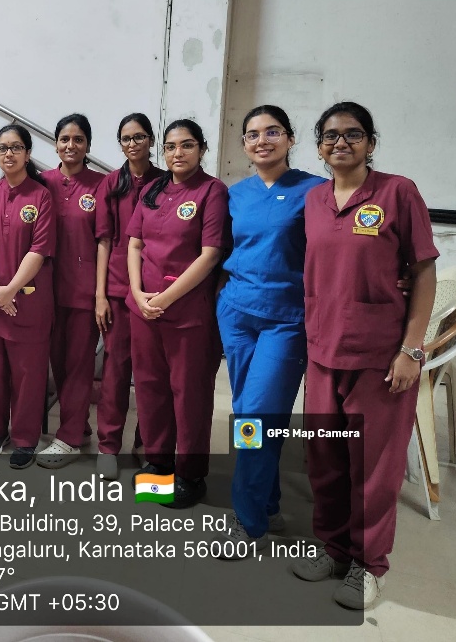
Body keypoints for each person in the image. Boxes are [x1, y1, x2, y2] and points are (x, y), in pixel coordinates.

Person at [293, 102, 436, 610]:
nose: (341, 143)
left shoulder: (398, 192)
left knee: (374, 469)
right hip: (323, 350)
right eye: (330, 136)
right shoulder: (313, 200)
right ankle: (331, 549)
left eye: (353, 134)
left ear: (371, 143)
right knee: (326, 459)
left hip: (380, 357)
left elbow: (421, 274)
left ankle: (367, 565)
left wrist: (411, 350)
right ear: (319, 146)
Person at [212, 106, 324, 551]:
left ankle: (248, 522)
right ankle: (269, 502)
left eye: (272, 132)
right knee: (253, 415)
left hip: (285, 320)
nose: (262, 141)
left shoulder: (314, 192)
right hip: (237, 313)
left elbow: (338, 248)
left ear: (290, 138)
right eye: (253, 134)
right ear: (243, 144)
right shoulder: (235, 195)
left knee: (256, 416)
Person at [126, 119, 228, 508]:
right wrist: (137, 293)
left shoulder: (212, 191)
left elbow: (210, 255)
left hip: (187, 314)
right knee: (150, 389)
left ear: (201, 149)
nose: (177, 153)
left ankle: (190, 475)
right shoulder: (152, 188)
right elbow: (134, 244)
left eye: (187, 145)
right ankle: (158, 464)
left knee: (190, 395)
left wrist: (164, 297)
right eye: (170, 147)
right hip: (145, 310)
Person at [0, 125, 56, 469]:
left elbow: (40, 249)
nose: (9, 153)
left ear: (28, 152)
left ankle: (24, 438)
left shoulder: (42, 196)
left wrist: (10, 290)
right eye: (3, 148)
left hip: (28, 302)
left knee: (28, 374)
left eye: (16, 147)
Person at [93, 114, 162, 480]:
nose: (132, 143)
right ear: (119, 144)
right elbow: (105, 241)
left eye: (139, 137)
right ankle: (108, 446)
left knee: (151, 376)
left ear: (151, 141)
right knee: (116, 373)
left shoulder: (165, 182)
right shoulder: (111, 184)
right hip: (119, 291)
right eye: (126, 138)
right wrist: (100, 295)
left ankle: (146, 444)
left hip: (155, 293)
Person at [35, 115, 105, 468]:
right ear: (56, 143)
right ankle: (78, 424)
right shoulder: (42, 182)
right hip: (46, 291)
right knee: (58, 362)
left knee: (78, 364)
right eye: (64, 138)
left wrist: (100, 294)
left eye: (79, 139)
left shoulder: (101, 186)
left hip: (83, 292)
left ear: (88, 145)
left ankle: (68, 438)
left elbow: (107, 241)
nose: (71, 145)